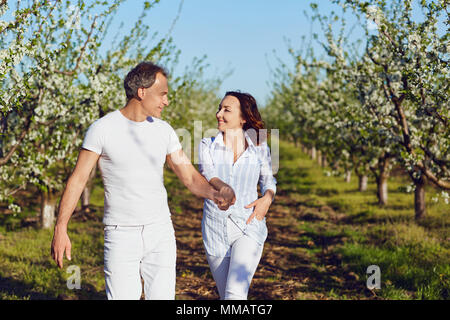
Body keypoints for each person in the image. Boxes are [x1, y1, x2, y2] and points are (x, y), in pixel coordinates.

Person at [50, 61, 235, 300]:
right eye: (163, 94)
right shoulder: (102, 129)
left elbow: (188, 176)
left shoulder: (164, 130)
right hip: (120, 233)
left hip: (160, 231)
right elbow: (77, 180)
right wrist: (61, 227)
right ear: (142, 92)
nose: (166, 101)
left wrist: (215, 194)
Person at [198, 91, 277, 300]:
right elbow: (209, 175)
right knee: (227, 296)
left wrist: (266, 199)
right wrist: (223, 188)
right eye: (219, 108)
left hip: (248, 225)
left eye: (226, 110)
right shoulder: (207, 145)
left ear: (243, 118)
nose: (218, 114)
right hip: (215, 230)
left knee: (235, 294)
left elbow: (269, 181)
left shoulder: (259, 148)